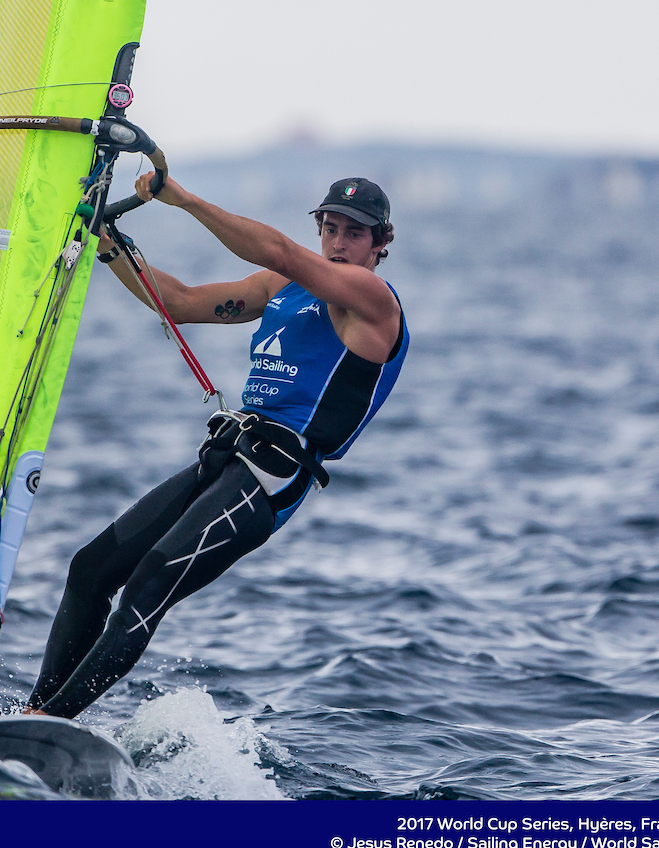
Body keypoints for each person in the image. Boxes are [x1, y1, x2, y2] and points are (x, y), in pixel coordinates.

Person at [24, 176, 409, 719]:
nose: (339, 243)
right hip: (228, 456)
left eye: (354, 233)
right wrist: (107, 244)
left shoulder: (373, 300)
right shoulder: (282, 286)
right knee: (89, 571)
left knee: (147, 586)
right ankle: (31, 718)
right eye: (329, 228)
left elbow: (279, 249)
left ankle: (49, 723)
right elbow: (178, 303)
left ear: (379, 245)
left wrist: (183, 200)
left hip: (273, 477)